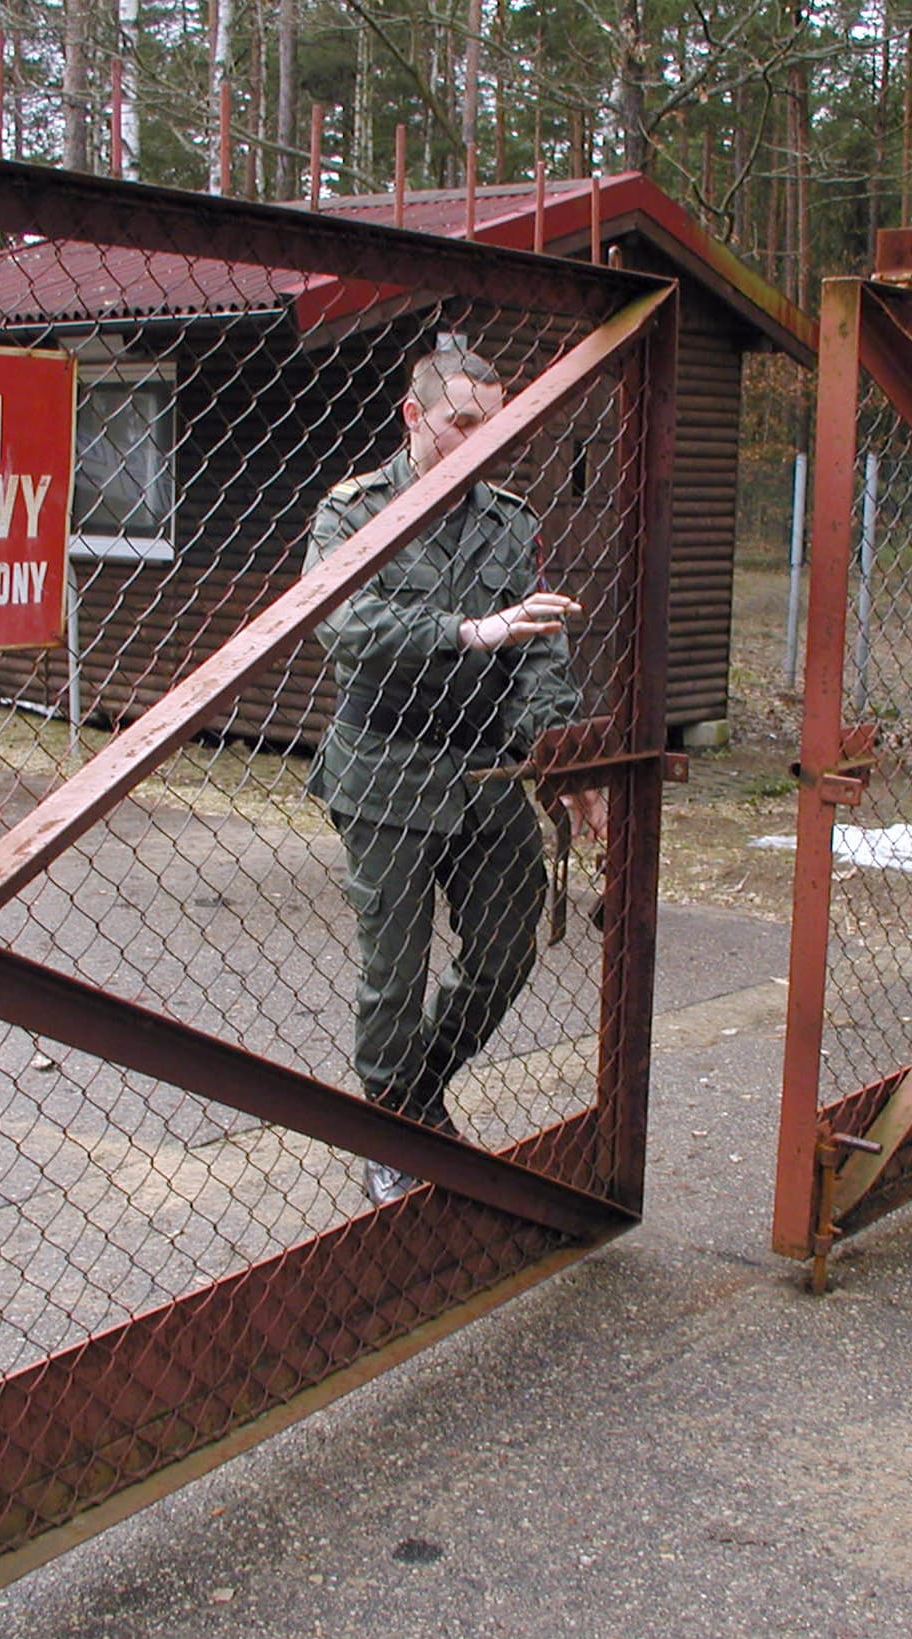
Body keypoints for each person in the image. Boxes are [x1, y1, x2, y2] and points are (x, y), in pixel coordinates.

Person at [306, 345, 608, 1205]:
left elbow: (542, 644)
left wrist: (555, 757)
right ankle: (394, 1133)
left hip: (483, 768)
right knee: (393, 972)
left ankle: (412, 1098)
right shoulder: (354, 511)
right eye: (463, 423)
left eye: (496, 424)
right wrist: (473, 631)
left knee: (506, 954)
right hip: (386, 764)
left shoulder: (510, 519)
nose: (483, 440)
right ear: (415, 416)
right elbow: (342, 620)